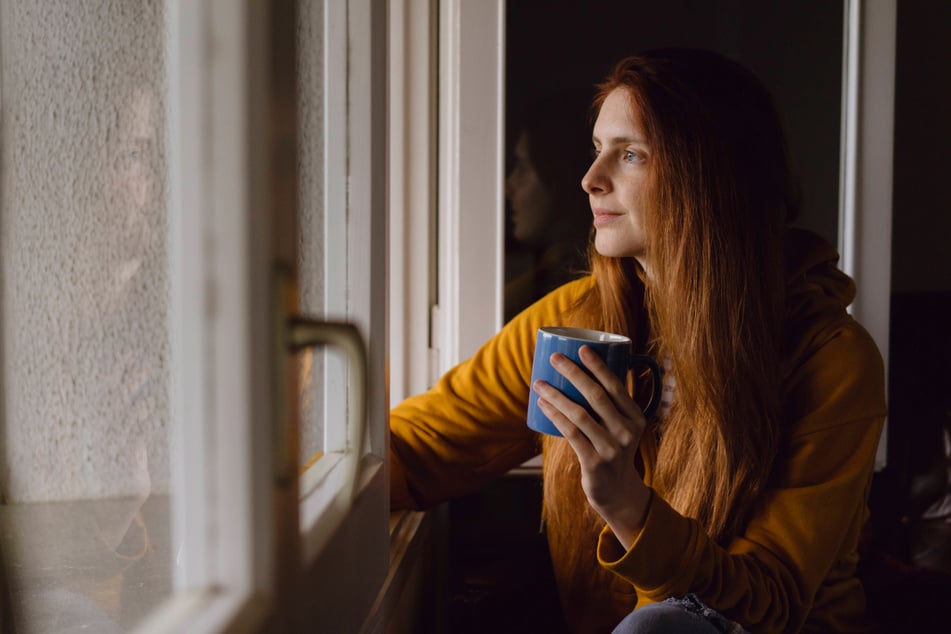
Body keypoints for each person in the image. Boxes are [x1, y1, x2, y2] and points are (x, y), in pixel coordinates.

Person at [389, 48, 886, 633]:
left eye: (629, 154)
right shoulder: (575, 325)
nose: (590, 179)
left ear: (709, 176)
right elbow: (421, 448)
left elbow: (770, 604)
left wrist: (625, 502)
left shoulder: (829, 358)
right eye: (597, 149)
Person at [504, 90, 593, 322]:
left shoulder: (577, 287)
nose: (507, 187)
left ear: (558, 177)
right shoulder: (543, 276)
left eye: (523, 169)